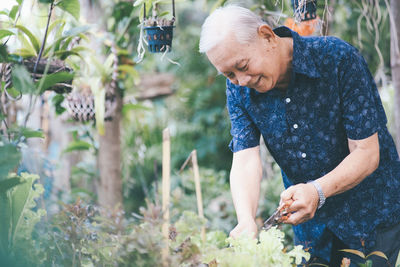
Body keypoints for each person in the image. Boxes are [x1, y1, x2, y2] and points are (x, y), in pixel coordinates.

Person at [199, 5, 400, 266]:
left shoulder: (337, 58)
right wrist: (246, 218)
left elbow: (367, 152)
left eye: (243, 66)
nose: (242, 80)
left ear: (267, 36)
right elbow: (245, 157)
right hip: (313, 236)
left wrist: (317, 191)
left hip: (375, 219)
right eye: (229, 74)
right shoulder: (238, 88)